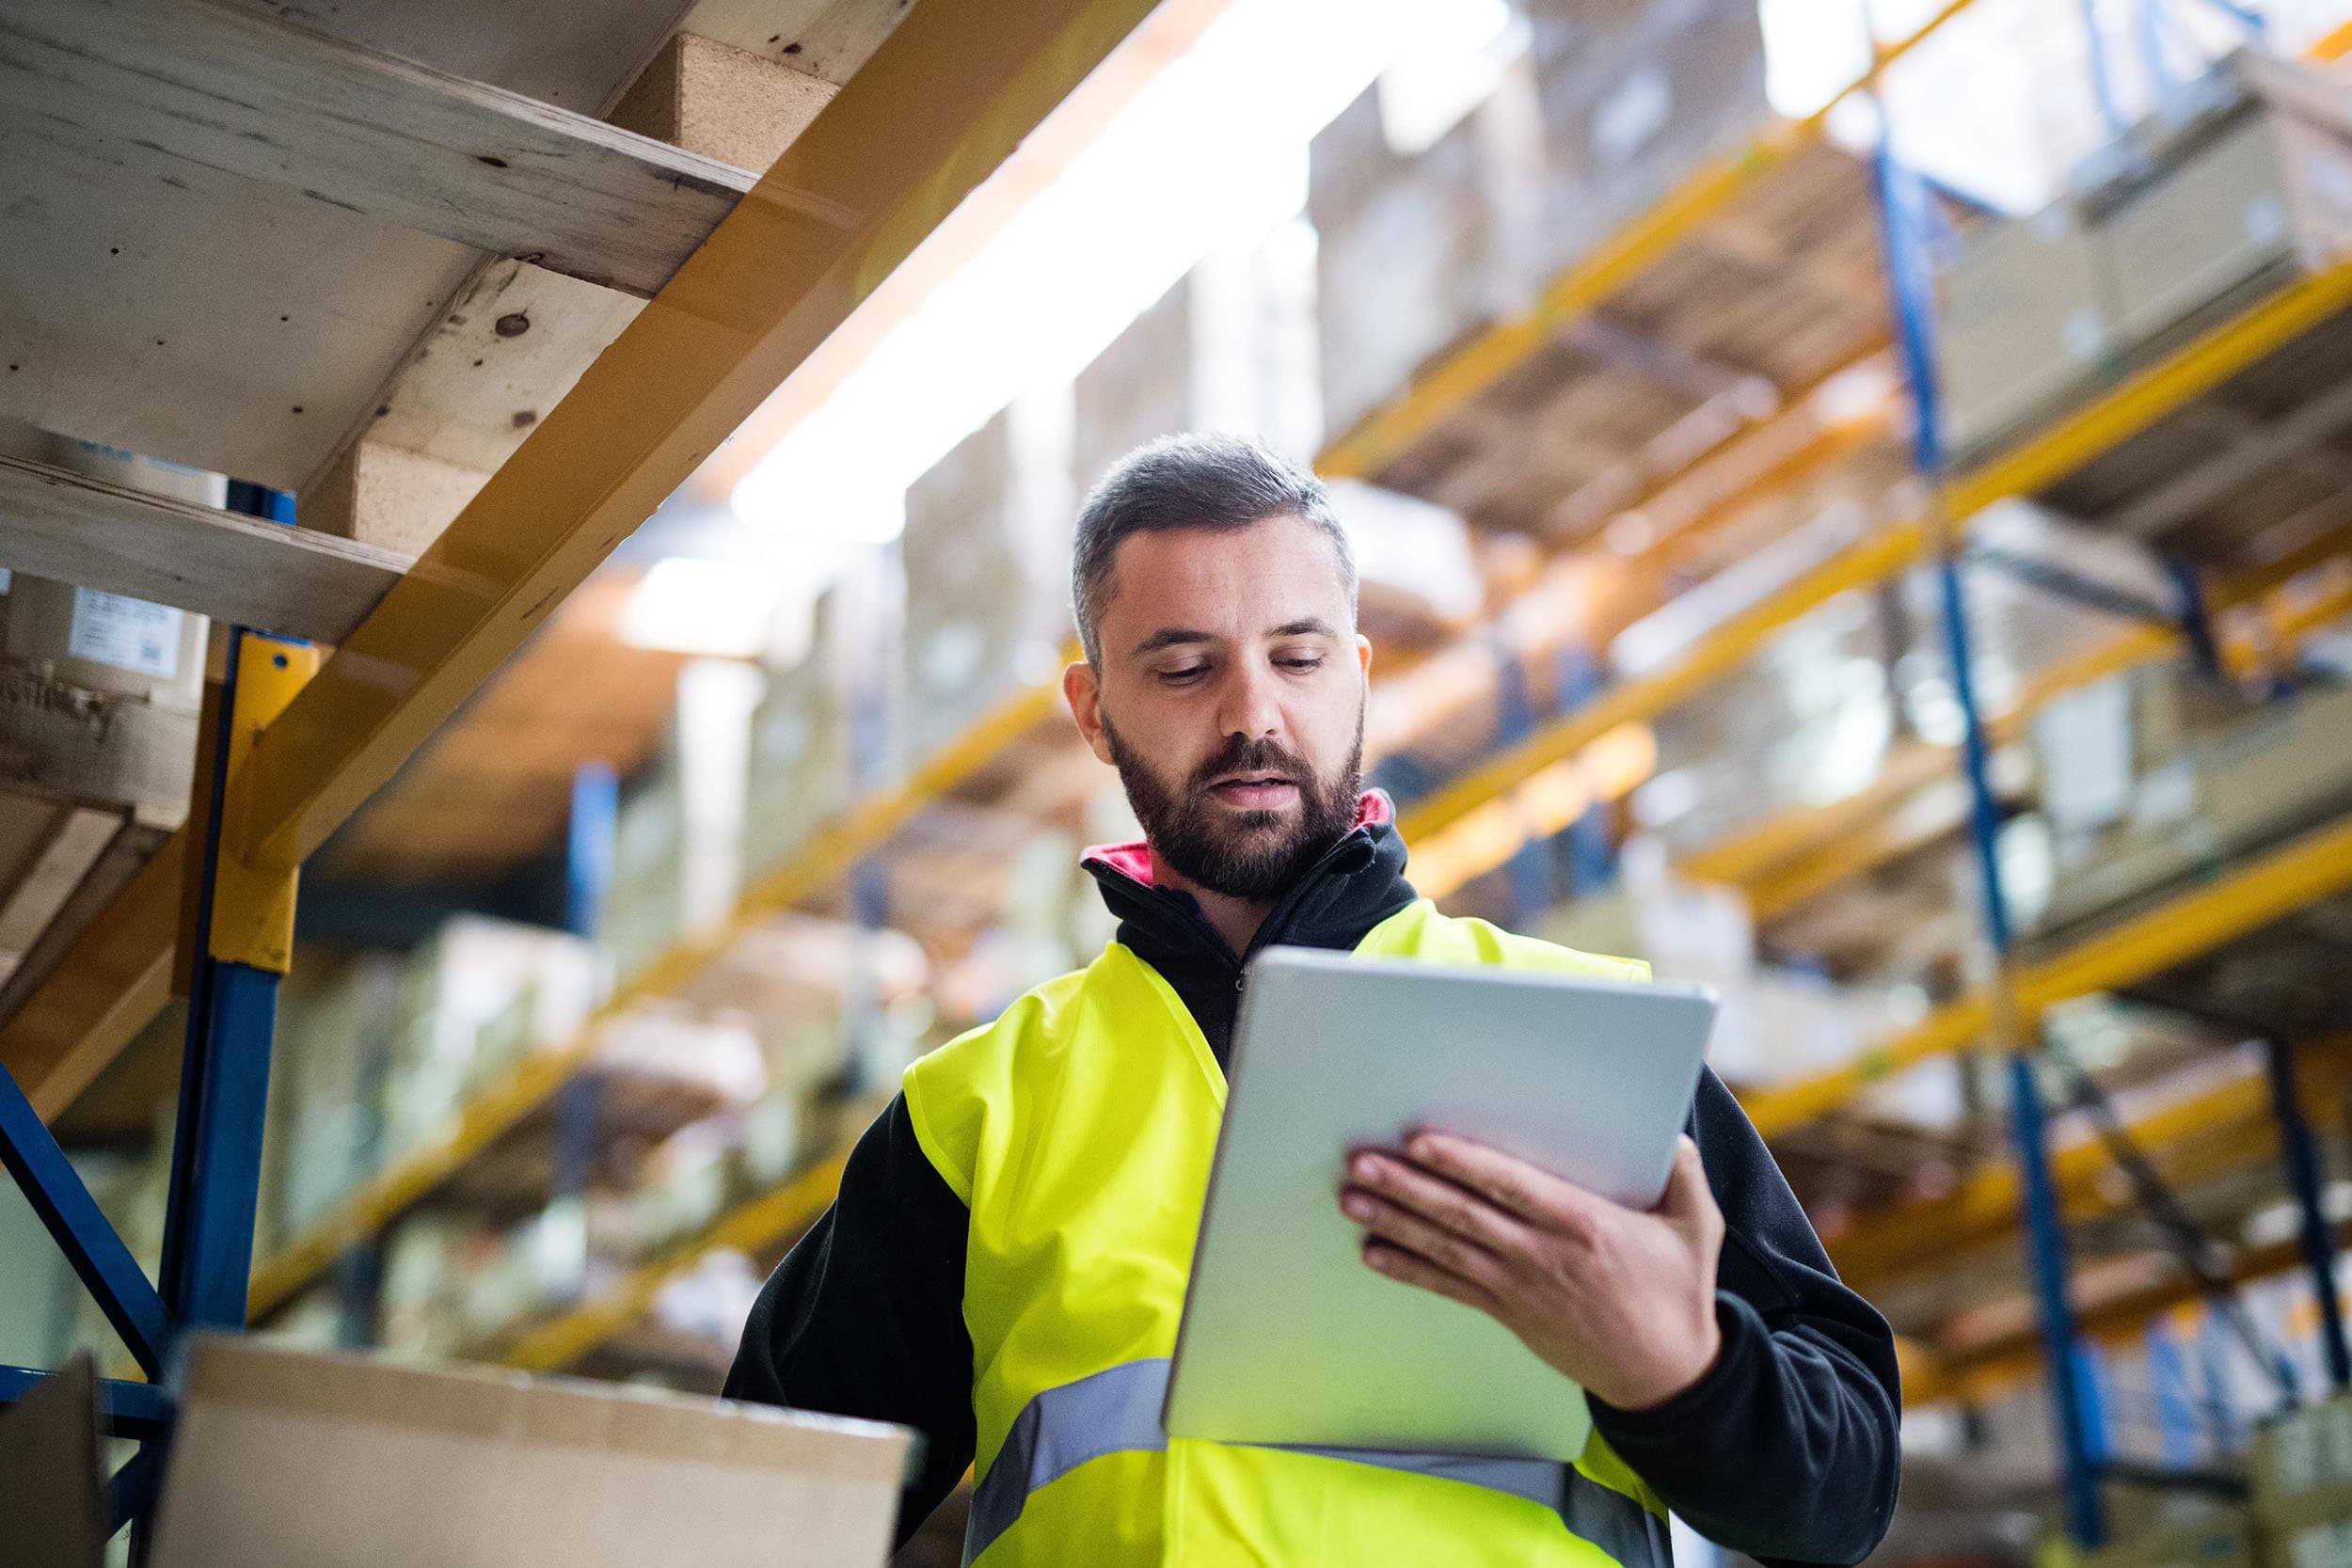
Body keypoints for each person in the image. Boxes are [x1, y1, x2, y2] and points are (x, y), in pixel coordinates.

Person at [726, 434, 1900, 1567]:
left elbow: (1843, 1497)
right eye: (1184, 666)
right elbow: (744, 1516)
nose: (1252, 713)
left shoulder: (1584, 1035)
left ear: (1357, 671)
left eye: (1297, 656)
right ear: (1092, 712)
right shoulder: (973, 1120)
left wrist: (1682, 1371)